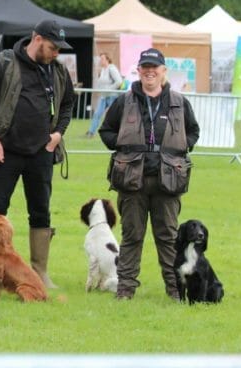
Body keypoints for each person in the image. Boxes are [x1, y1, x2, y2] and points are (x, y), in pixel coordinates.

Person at [0, 19, 75, 288]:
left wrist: (58, 134)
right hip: (5, 150)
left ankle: (39, 270)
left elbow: (67, 106)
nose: (56, 54)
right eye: (53, 47)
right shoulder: (5, 62)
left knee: (41, 211)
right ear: (37, 38)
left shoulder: (58, 71)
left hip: (42, 151)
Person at [99, 48, 199, 301]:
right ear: (139, 71)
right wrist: (123, 147)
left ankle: (175, 289)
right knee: (132, 236)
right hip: (132, 180)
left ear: (164, 71)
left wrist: (176, 150)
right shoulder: (124, 101)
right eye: (145, 67)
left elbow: (193, 132)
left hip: (169, 181)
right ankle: (126, 289)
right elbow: (106, 131)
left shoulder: (179, 102)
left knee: (168, 238)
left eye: (155, 67)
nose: (150, 71)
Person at [86, 53, 123, 137]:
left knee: (115, 115)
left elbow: (119, 81)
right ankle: (91, 132)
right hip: (104, 96)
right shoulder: (102, 70)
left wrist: (109, 89)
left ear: (107, 60)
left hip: (112, 96)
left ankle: (121, 132)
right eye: (100, 59)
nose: (100, 61)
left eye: (102, 59)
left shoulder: (112, 69)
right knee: (97, 114)